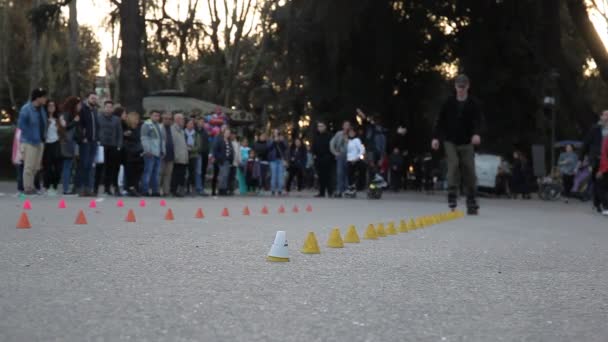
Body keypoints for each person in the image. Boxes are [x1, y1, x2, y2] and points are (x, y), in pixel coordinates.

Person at [432, 74, 482, 214]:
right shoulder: (448, 102)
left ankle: (471, 199)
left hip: (467, 142)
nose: (461, 89)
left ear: (468, 86)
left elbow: (478, 121)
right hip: (450, 141)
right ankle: (452, 194)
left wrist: (476, 134)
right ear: (455, 86)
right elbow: (440, 121)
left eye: (463, 87)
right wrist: (436, 138)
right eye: (459, 87)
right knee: (453, 165)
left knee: (469, 170)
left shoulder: (473, 103)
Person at [18, 88, 48, 195]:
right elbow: (21, 125)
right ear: (38, 98)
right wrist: (30, 135)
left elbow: (44, 124)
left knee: (36, 167)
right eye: (44, 97)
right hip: (29, 141)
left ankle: (31, 186)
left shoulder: (42, 109)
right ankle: (27, 188)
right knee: (29, 166)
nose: (46, 99)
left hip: (40, 141)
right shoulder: (26, 109)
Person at [581, 110, 608, 213]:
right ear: (601, 117)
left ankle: (600, 203)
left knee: (603, 183)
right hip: (596, 160)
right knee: (597, 182)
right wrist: (581, 158)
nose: (607, 117)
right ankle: (598, 204)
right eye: (605, 115)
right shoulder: (595, 129)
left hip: (607, 160)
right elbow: (586, 143)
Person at [96, 100, 123, 196]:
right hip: (101, 145)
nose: (108, 109)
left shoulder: (117, 119)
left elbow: (120, 133)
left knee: (110, 168)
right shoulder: (98, 118)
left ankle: (107, 188)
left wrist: (119, 145)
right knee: (99, 167)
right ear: (104, 108)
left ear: (112, 109)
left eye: (110, 107)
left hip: (113, 145)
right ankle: (95, 188)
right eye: (107, 107)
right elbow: (96, 130)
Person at [77, 92, 100, 197]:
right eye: (92, 98)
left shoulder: (95, 111)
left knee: (91, 166)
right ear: (88, 99)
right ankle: (80, 187)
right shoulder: (83, 110)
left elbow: (97, 126)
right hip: (85, 141)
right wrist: (83, 137)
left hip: (94, 141)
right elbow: (79, 125)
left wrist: (98, 138)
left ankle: (88, 188)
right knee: (84, 164)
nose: (94, 100)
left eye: (95, 99)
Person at [58, 97, 81, 195]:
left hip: (73, 142)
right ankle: (65, 188)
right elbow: (65, 126)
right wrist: (75, 121)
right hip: (68, 142)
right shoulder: (66, 113)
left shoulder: (75, 114)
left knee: (72, 165)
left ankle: (72, 187)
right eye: (78, 104)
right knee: (67, 165)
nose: (80, 106)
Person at [140, 110, 164, 196]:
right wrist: (147, 150)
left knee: (156, 173)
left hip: (158, 152)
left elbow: (161, 140)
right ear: (150, 116)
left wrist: (162, 151)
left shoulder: (159, 126)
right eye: (154, 115)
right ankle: (145, 190)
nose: (156, 117)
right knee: (148, 172)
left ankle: (155, 191)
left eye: (158, 116)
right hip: (150, 153)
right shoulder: (146, 125)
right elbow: (144, 138)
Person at [42, 100, 62, 196]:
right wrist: (47, 124)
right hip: (47, 145)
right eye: (49, 106)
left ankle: (54, 186)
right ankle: (46, 187)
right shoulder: (44, 118)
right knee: (47, 168)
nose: (51, 107)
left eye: (53, 105)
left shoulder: (58, 119)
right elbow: (42, 132)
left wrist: (62, 124)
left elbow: (63, 133)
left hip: (56, 144)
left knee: (58, 168)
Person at [122, 112, 143, 197]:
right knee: (130, 171)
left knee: (138, 170)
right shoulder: (126, 128)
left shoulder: (139, 128)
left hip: (139, 151)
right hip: (129, 152)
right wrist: (126, 134)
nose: (137, 120)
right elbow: (125, 139)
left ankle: (135, 186)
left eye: (138, 118)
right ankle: (130, 187)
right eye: (136, 118)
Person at [312, 122, 333, 197]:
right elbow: (313, 146)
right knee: (320, 176)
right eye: (319, 126)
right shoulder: (316, 136)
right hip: (318, 158)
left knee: (328, 175)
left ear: (325, 127)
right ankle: (322, 192)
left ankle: (330, 191)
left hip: (327, 157)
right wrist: (314, 155)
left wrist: (330, 156)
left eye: (321, 126)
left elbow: (332, 146)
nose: (320, 128)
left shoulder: (329, 136)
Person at [330, 121, 351, 197]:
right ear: (343, 126)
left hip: (349, 156)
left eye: (348, 125)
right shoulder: (339, 134)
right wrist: (335, 152)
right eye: (345, 125)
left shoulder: (351, 134)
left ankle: (347, 190)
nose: (347, 126)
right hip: (340, 155)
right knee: (339, 173)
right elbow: (332, 143)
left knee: (347, 173)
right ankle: (339, 189)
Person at [212, 127, 234, 196]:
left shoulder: (229, 141)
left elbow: (231, 151)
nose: (228, 134)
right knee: (222, 175)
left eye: (229, 133)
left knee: (226, 175)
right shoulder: (220, 140)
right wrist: (219, 157)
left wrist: (231, 158)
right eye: (227, 133)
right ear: (223, 133)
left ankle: (224, 189)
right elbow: (215, 150)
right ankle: (221, 189)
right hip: (222, 160)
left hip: (228, 161)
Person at [170, 113, 188, 197]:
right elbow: (172, 144)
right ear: (177, 120)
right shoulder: (172, 130)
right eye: (182, 119)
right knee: (175, 174)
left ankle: (179, 190)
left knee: (181, 175)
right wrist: (174, 155)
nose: (183, 121)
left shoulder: (182, 131)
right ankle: (173, 190)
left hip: (183, 157)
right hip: (177, 157)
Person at [345, 128, 365, 194]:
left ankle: (358, 186)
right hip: (349, 159)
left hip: (356, 159)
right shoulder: (348, 141)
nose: (351, 134)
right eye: (350, 132)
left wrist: (357, 158)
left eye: (352, 132)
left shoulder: (357, 140)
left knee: (356, 174)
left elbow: (362, 150)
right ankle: (351, 188)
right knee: (349, 175)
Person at [269, 129, 287, 196]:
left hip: (280, 160)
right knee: (273, 175)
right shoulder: (271, 140)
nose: (276, 134)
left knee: (280, 175)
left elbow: (285, 148)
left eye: (277, 132)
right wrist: (274, 141)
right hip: (273, 160)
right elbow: (269, 148)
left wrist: (281, 141)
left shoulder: (282, 140)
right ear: (273, 133)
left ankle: (280, 190)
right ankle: (273, 190)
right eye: (275, 132)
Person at [185, 118, 201, 196]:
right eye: (190, 123)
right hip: (184, 155)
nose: (191, 125)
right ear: (186, 124)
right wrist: (186, 147)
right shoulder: (183, 133)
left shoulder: (196, 134)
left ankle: (193, 189)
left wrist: (191, 148)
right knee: (185, 173)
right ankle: (185, 188)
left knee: (192, 173)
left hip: (193, 155)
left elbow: (198, 146)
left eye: (192, 124)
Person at [160, 112, 174, 197]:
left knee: (168, 175)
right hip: (162, 154)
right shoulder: (160, 127)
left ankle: (166, 191)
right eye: (165, 119)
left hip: (171, 154)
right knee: (160, 173)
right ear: (162, 119)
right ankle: (156, 190)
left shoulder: (172, 129)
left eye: (169, 119)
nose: (167, 120)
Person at [196, 116, 210, 196]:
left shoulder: (205, 132)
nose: (202, 123)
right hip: (198, 154)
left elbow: (207, 143)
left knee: (203, 171)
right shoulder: (195, 131)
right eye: (200, 121)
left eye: (203, 122)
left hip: (205, 154)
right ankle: (198, 188)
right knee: (198, 171)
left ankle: (202, 187)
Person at [596, 133, 608, 215]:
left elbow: (605, 156)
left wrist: (601, 170)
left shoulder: (606, 140)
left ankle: (606, 207)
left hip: (606, 169)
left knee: (600, 187)